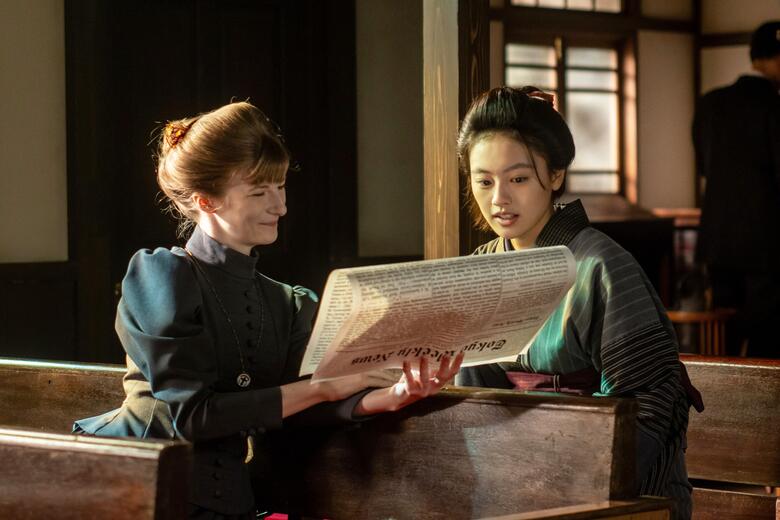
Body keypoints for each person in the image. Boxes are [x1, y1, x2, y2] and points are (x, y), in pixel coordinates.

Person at [73, 101, 463, 519]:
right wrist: (324, 387)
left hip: (229, 503)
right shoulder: (162, 277)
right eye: (259, 192)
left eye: (280, 186)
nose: (280, 206)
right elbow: (193, 417)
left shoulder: (284, 301)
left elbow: (298, 407)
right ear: (206, 201)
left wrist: (394, 395)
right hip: (134, 492)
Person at [455, 86, 694, 519]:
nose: (499, 199)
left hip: (618, 492)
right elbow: (475, 400)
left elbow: (648, 402)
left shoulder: (602, 267)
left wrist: (570, 482)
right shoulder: (481, 271)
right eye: (484, 181)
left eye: (518, 179)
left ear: (556, 175)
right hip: (516, 481)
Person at [692, 21, 780, 358]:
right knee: (765, 337)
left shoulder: (710, 104)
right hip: (767, 242)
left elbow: (703, 167)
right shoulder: (774, 107)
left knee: (722, 331)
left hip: (717, 238)